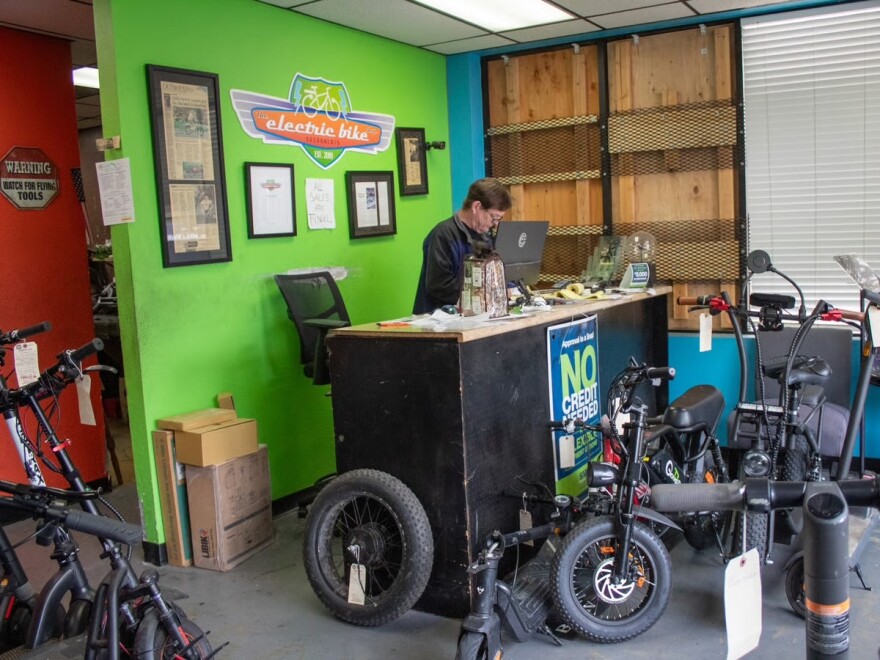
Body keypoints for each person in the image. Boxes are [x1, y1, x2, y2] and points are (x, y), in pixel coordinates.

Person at [412, 178, 512, 314]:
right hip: (439, 321)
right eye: (493, 217)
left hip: (475, 316)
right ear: (476, 207)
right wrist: (481, 294)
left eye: (499, 219)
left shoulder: (485, 237)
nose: (495, 224)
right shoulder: (443, 235)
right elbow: (438, 285)